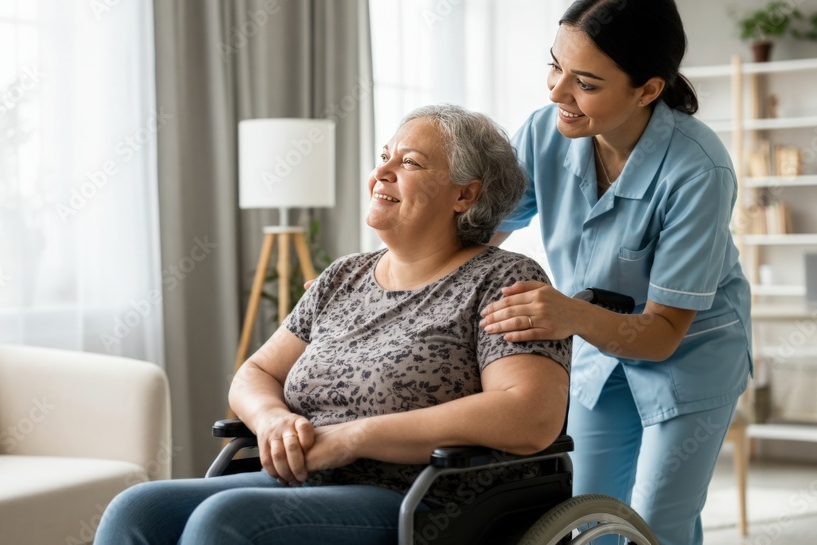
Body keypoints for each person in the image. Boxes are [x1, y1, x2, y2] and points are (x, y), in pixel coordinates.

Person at [93, 104, 571, 545]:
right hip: (308, 478)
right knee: (137, 508)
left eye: (410, 162)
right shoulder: (343, 275)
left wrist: (354, 437)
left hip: (424, 497)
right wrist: (271, 419)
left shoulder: (504, 279)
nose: (380, 171)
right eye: (384, 156)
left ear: (465, 194)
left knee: (225, 520)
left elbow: (529, 416)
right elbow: (255, 374)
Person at [478, 1, 752, 545]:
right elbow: (481, 237)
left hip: (690, 354)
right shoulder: (543, 133)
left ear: (647, 90)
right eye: (555, 65)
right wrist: (384, 277)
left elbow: (662, 333)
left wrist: (566, 314)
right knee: (585, 518)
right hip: (598, 353)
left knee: (654, 521)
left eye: (585, 82)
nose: (557, 92)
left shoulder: (699, 169)